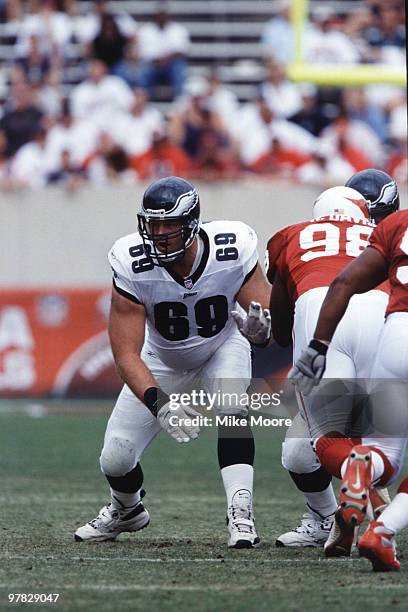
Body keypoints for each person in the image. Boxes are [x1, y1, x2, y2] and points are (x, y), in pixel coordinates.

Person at [74, 176, 272, 548]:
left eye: (170, 224)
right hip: (161, 357)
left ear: (192, 223)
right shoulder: (130, 260)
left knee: (232, 405)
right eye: (154, 223)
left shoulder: (232, 247)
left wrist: (261, 333)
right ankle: (127, 509)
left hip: (221, 345)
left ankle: (241, 512)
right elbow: (126, 354)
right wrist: (160, 404)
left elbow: (270, 323)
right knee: (115, 459)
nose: (160, 233)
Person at [267, 184, 392, 549]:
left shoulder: (292, 235)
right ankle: (369, 496)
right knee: (374, 432)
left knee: (326, 436)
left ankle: (357, 477)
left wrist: (270, 334)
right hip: (380, 315)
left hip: (321, 311)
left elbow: (279, 326)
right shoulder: (381, 234)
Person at [289, 206, 407, 568]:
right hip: (386, 330)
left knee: (383, 455)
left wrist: (318, 345)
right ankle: (383, 530)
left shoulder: (398, 222)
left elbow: (344, 283)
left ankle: (363, 481)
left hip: (397, 334)